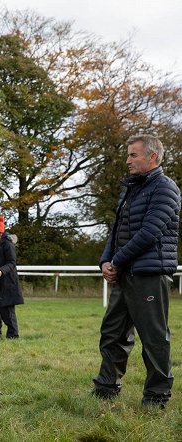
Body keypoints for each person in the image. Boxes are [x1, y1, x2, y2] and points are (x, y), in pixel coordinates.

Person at [91, 134, 180, 409]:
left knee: (154, 338)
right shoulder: (131, 189)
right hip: (124, 272)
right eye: (128, 154)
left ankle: (156, 397)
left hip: (149, 275)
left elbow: (149, 233)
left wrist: (116, 261)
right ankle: (106, 387)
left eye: (133, 155)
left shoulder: (165, 188)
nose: (127, 160)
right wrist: (105, 261)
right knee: (112, 333)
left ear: (151, 157)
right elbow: (116, 232)